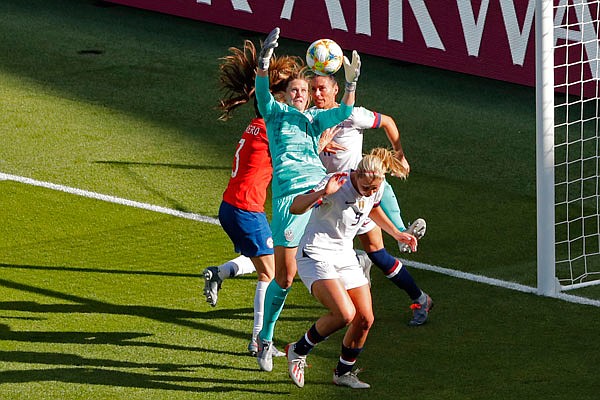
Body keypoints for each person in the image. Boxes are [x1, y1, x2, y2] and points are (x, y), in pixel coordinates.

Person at [253, 27, 361, 373]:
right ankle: (265, 339)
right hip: (289, 199)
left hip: (318, 193)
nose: (301, 93)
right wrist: (264, 63)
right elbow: (260, 92)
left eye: (305, 90)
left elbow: (344, 113)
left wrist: (350, 84)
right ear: (285, 95)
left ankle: (356, 263)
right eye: (295, 89)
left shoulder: (314, 120)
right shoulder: (274, 114)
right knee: (284, 278)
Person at [203, 39, 304, 356]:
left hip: (231, 207)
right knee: (270, 274)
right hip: (246, 209)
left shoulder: (256, 125)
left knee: (267, 258)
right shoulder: (274, 131)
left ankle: (220, 273)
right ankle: (259, 341)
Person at [285, 148, 417, 389]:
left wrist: (397, 233)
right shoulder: (336, 182)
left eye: (374, 189)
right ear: (356, 173)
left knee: (365, 318)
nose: (368, 192)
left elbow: (374, 208)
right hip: (316, 254)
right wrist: (324, 192)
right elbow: (295, 207)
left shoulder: (375, 187)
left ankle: (342, 373)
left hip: (344, 255)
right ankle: (297, 350)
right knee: (345, 314)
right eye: (365, 188)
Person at [311, 74, 433, 325]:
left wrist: (399, 154)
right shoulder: (311, 117)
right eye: (313, 89)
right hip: (328, 199)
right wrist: (317, 144)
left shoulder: (352, 116)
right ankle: (358, 274)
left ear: (336, 90)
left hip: (358, 197)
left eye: (322, 88)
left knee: (377, 253)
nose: (317, 94)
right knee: (311, 254)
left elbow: (388, 122)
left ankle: (420, 299)